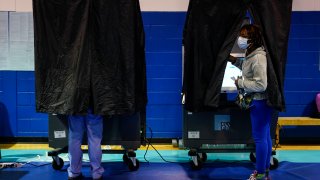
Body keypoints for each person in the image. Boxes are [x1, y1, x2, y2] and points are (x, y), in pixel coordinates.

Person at [229, 24, 273, 180]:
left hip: (259, 102)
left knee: (260, 138)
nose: (240, 38)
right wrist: (233, 60)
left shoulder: (258, 57)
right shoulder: (252, 53)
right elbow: (247, 68)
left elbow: (261, 85)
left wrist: (240, 83)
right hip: (261, 102)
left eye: (243, 35)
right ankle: (265, 171)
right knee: (265, 136)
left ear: (252, 38)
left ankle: (260, 173)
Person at [67, 109, 104, 180]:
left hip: (75, 103)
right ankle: (96, 174)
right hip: (93, 103)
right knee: (94, 139)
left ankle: (74, 173)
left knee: (74, 138)